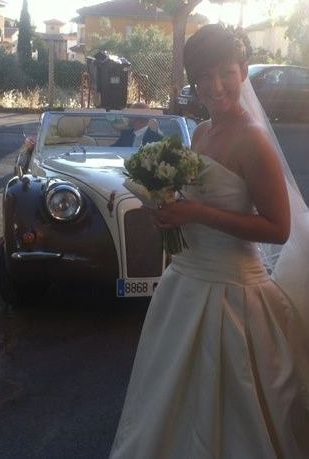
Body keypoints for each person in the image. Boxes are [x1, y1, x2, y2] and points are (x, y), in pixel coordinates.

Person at [109, 24, 309, 459]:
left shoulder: (255, 140)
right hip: (185, 283)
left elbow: (279, 228)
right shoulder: (200, 132)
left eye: (225, 73)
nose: (214, 86)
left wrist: (197, 214)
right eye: (203, 76)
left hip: (231, 294)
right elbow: (197, 199)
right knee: (170, 401)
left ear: (243, 72)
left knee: (232, 408)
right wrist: (170, 211)